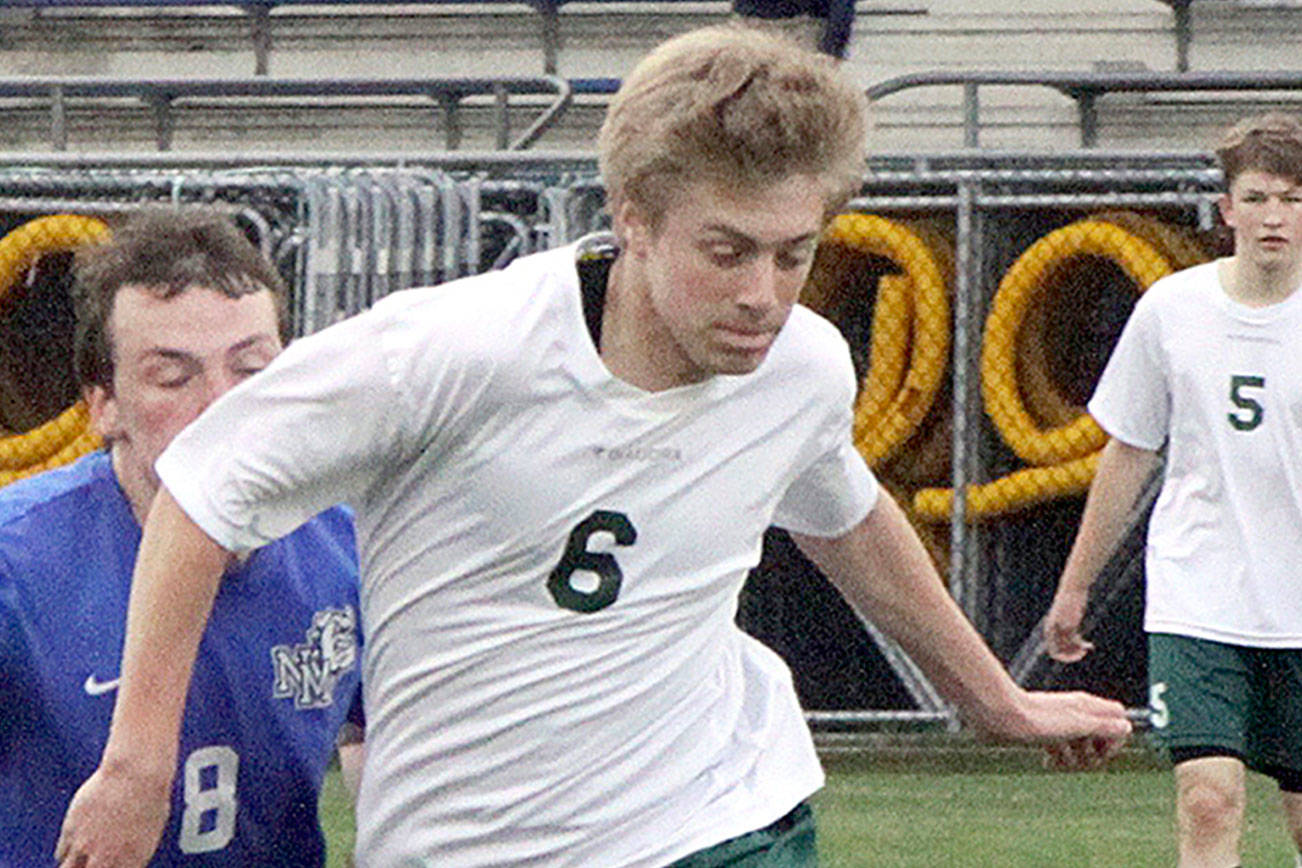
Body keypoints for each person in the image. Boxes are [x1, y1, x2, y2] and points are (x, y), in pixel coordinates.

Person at [59, 26, 1129, 868]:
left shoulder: (801, 365)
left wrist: (994, 699)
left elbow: (842, 512)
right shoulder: (449, 352)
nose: (763, 294)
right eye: (727, 251)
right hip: (470, 844)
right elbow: (201, 494)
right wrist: (138, 767)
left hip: (721, 821)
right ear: (635, 220)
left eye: (793, 255)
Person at [0, 209, 364, 866]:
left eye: (251, 368)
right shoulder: (17, 561)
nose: (222, 404)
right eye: (173, 377)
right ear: (103, 405)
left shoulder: (347, 546)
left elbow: (386, 744)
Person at [1044, 112, 1302, 868]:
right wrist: (1075, 588)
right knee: (1207, 800)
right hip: (1201, 594)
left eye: (1293, 199)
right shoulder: (1172, 309)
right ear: (1227, 209)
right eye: (1256, 198)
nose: (1274, 217)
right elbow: (1129, 451)